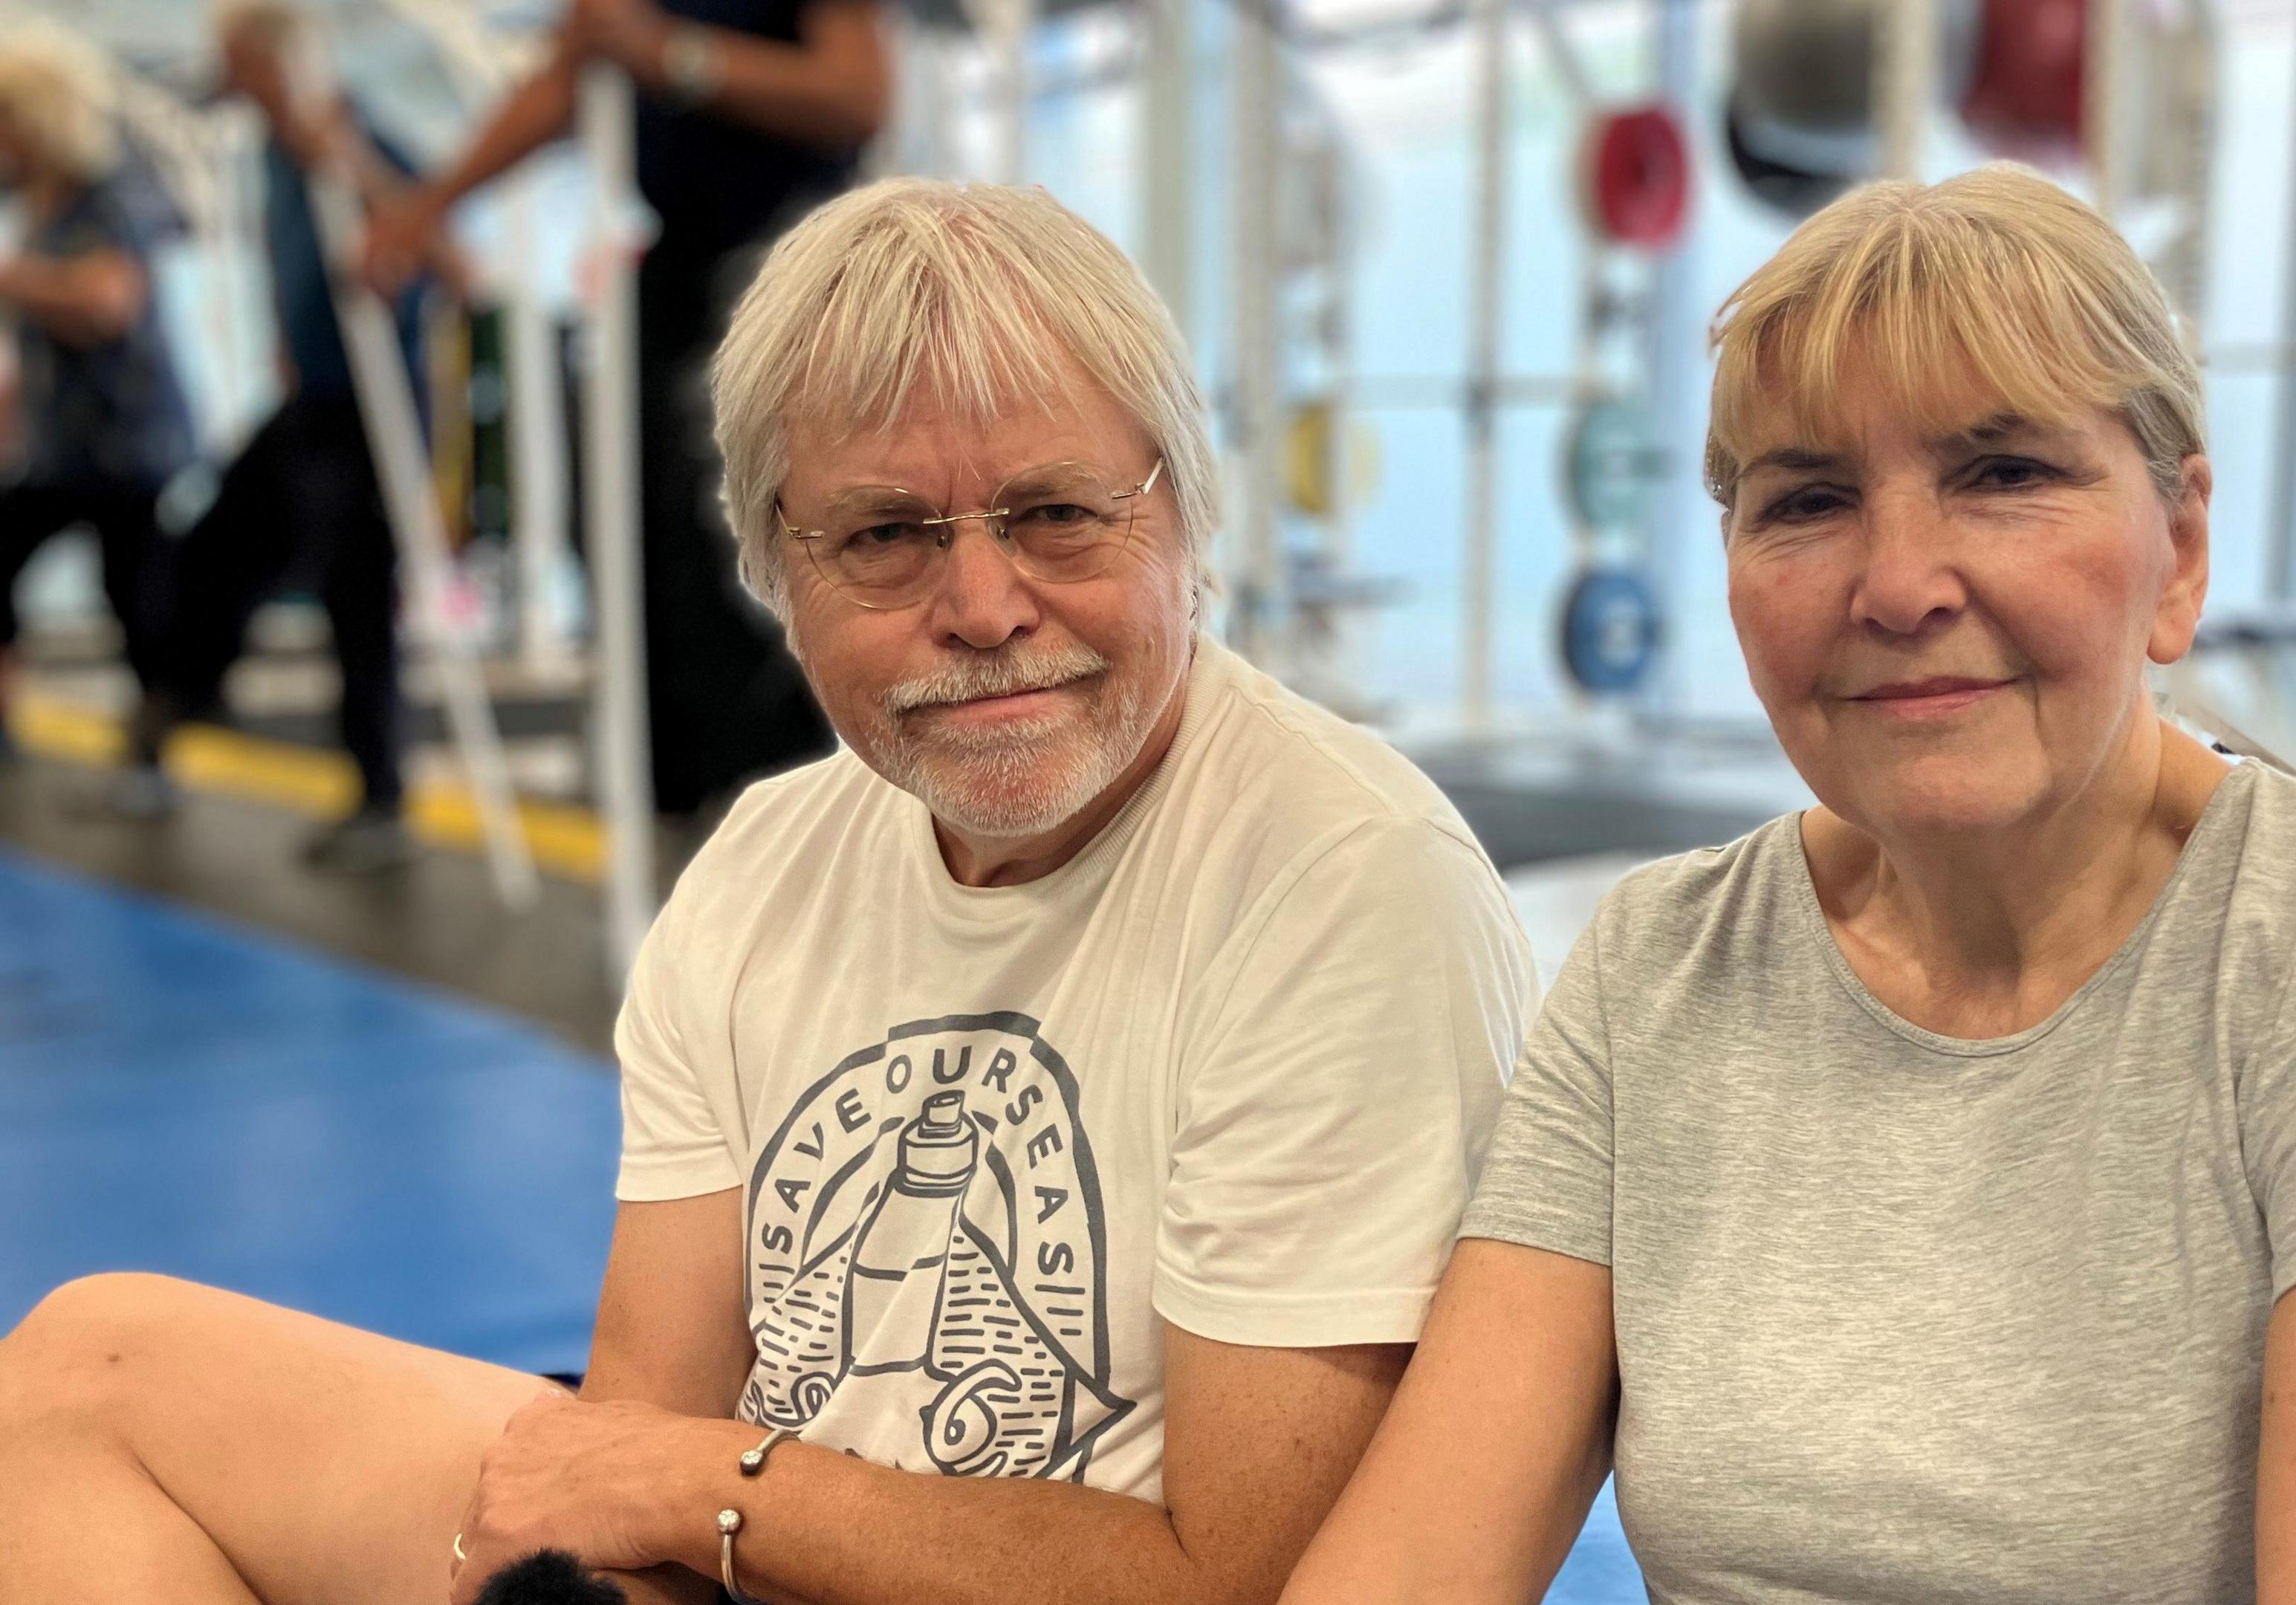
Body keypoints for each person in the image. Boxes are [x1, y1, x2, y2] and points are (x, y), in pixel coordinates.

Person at [0, 179, 1536, 1604]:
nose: (987, 607)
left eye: (1059, 514)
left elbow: (1247, 1581)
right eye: (885, 537)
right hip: (765, 1555)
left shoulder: (1342, 883)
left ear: (1189, 520)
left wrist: (713, 1488)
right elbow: (636, 1429)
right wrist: (682, 1501)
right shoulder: (770, 862)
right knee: (93, 1370)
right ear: (774, 575)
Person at [1286, 166, 2296, 1605]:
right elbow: (1411, 1561)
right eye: (1810, 501)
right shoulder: (1659, 966)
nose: (1899, 584)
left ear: (2184, 549)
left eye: (2005, 474)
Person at [367, 0, 890, 818]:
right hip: (685, 265)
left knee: (750, 523)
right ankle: (688, 782)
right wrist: (421, 214)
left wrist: (675, 56)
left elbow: (857, 95)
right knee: (624, 511)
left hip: (798, 255)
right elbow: (561, 87)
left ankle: (805, 785)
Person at [134, 0, 433, 869]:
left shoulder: (365, 141)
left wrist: (342, 163)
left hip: (379, 407)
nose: (228, 81)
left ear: (274, 63)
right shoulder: (267, 156)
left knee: (357, 595)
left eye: (238, 62)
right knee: (215, 544)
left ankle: (381, 801)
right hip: (311, 405)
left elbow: (448, 257)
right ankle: (183, 698)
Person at [0, 27, 198, 802]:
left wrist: (13, 279)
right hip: (63, 450)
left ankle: (152, 766)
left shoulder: (114, 188)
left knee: (139, 604)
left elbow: (108, 301)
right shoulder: (40, 203)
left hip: (129, 446)